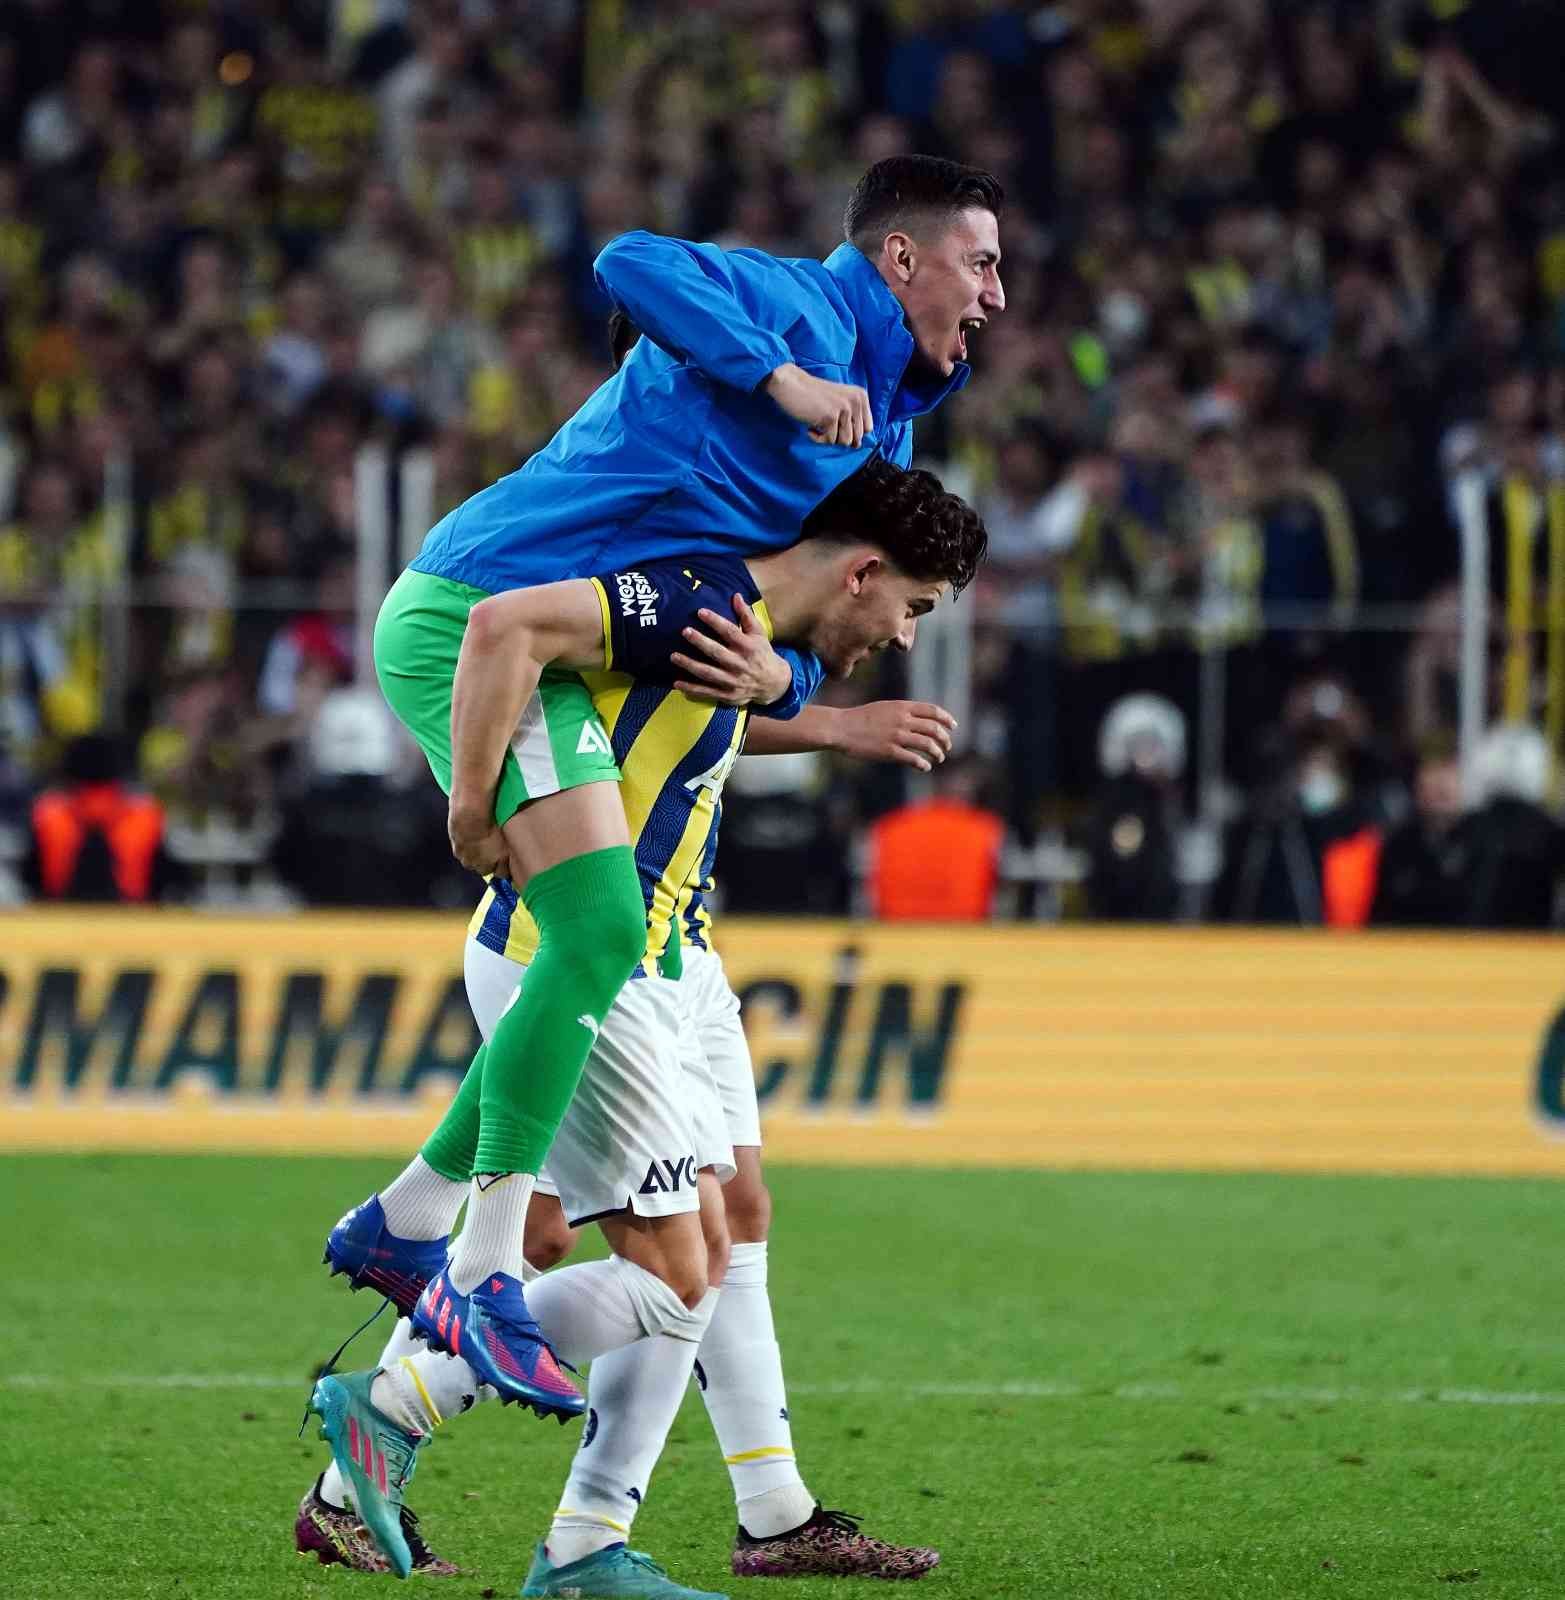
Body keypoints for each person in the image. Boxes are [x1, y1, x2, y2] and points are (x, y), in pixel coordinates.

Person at [323, 155, 1005, 1412]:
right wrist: (779, 378)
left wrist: (803, 690)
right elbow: (627, 260)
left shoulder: (889, 423)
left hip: (560, 649)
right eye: (980, 262)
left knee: (599, 942)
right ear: (901, 258)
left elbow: (799, 606)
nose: (994, 295)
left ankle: (408, 1222)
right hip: (482, 609)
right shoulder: (805, 314)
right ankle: (469, 1272)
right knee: (594, 934)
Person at [306, 460, 987, 1595]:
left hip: (664, 953)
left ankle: (643, 1526)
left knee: (692, 1239)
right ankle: (399, 1421)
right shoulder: (691, 598)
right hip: (586, 955)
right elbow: (501, 631)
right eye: (910, 607)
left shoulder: (740, 632)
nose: (905, 635)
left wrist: (823, 721)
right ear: (861, 570)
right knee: (667, 1269)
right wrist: (468, 807)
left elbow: (694, 720)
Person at [866, 754, 1005, 920]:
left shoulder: (889, 827)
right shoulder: (987, 829)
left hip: (897, 926)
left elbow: (870, 891)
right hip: (964, 928)